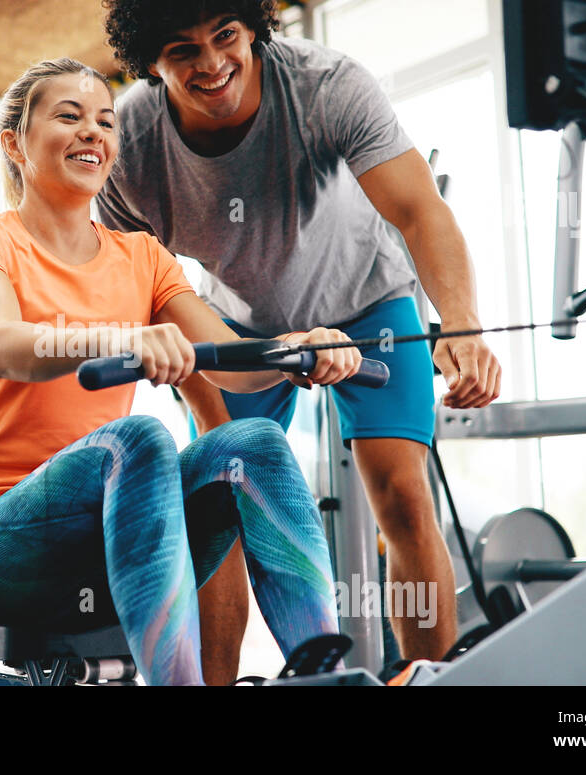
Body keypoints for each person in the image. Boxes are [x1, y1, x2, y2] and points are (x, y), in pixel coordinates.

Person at [97, 0, 504, 677]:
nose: (211, 63)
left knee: (401, 493)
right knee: (215, 494)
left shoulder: (325, 84)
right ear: (149, 61)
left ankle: (433, 677)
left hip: (369, 298)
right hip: (235, 324)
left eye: (224, 35)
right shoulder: (130, 144)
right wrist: (202, 405)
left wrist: (461, 325)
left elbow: (418, 208)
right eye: (181, 51)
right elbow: (136, 289)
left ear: (253, 25)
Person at [0, 58, 365, 685]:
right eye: (69, 117)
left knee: (255, 443)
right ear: (14, 143)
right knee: (138, 438)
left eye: (106, 123)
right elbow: (2, 345)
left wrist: (299, 349)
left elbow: (236, 368)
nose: (93, 133)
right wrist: (124, 339)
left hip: (115, 546)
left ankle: (322, 675)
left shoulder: (141, 256)